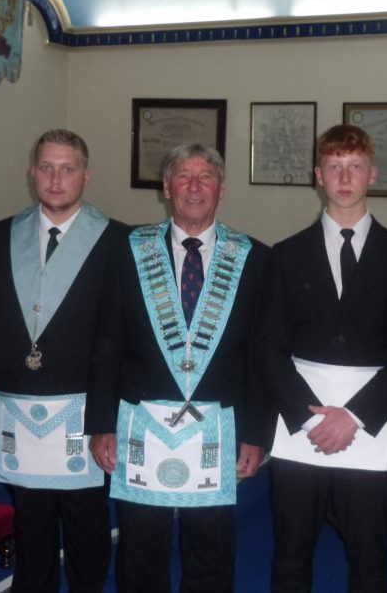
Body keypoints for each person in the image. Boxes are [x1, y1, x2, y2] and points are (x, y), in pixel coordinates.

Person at [86, 143, 270, 593]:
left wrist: (258, 434)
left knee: (211, 550)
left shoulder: (254, 258)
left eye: (205, 176)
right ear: (166, 188)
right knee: (140, 549)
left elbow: (261, 356)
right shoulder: (127, 251)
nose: (194, 187)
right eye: (183, 176)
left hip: (218, 428)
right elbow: (106, 342)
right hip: (141, 425)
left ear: (221, 188)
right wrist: (101, 424)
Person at [256, 124, 387, 592]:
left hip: (370, 426)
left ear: (373, 174)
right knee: (292, 552)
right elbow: (268, 347)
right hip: (300, 427)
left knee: (369, 555)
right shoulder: (286, 255)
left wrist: (353, 416)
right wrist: (311, 419)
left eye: (355, 166)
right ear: (319, 175)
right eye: (335, 166)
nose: (345, 177)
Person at [0, 129, 127, 593]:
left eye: (67, 169)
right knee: (30, 517)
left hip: (83, 407)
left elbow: (118, 336)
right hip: (16, 401)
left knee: (86, 520)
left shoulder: (117, 241)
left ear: (86, 176)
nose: (55, 180)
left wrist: (108, 419)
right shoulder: (2, 236)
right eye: (47, 168)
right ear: (32, 173)